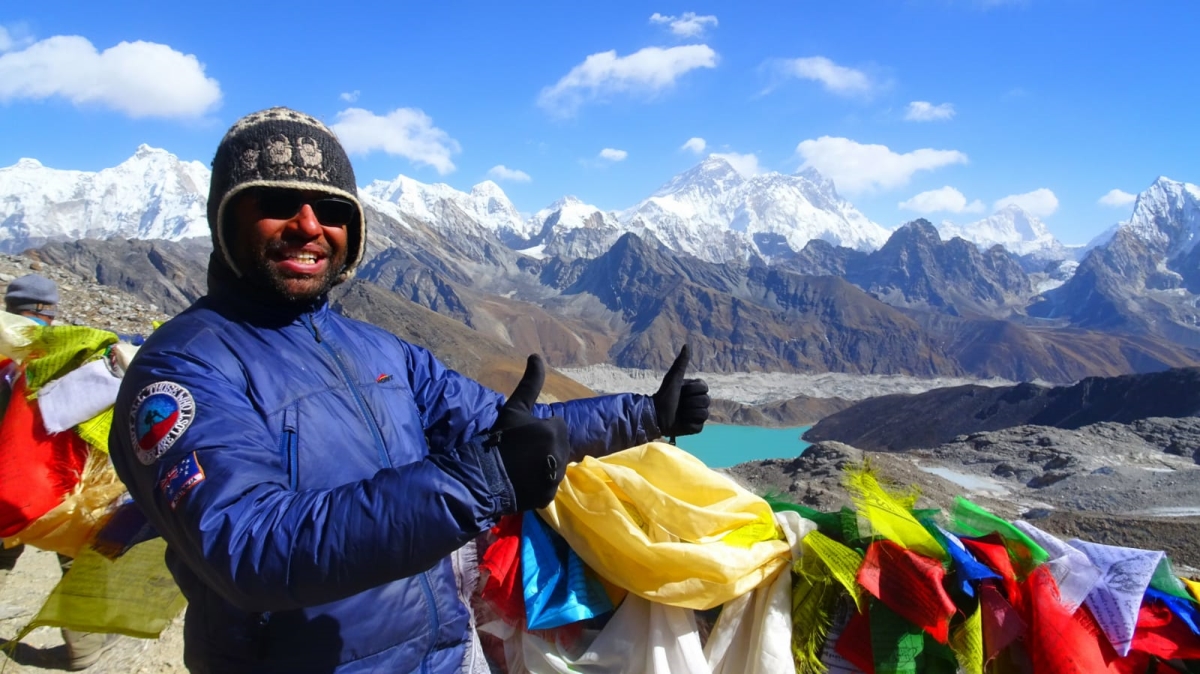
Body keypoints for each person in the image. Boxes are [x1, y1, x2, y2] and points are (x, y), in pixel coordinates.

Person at [108, 107, 710, 673]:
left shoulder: (378, 349)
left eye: (331, 209)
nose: (310, 226)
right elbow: (249, 547)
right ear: (226, 216)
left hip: (446, 652)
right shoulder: (183, 371)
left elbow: (504, 430)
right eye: (277, 203)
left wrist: (644, 415)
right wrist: (477, 484)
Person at [0, 274, 115, 670]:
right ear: (50, 312)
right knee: (80, 563)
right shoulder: (74, 350)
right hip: (62, 487)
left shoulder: (3, 354)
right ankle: (83, 651)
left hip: (5, 487)